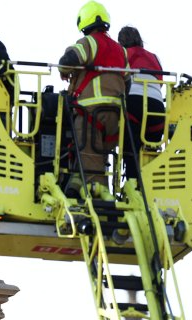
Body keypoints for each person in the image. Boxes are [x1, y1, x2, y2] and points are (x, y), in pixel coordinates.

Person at [58, 1, 127, 195]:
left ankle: (97, 195)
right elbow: (127, 81)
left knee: (89, 157)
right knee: (96, 157)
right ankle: (74, 186)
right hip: (116, 116)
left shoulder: (89, 42)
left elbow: (66, 62)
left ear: (84, 22)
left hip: (90, 112)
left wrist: (65, 71)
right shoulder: (121, 50)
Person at [118, 26, 165, 180]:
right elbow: (160, 81)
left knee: (130, 146)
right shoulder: (154, 57)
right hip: (157, 107)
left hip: (133, 102)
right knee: (151, 150)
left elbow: (117, 79)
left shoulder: (122, 54)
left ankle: (132, 182)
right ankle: (148, 182)